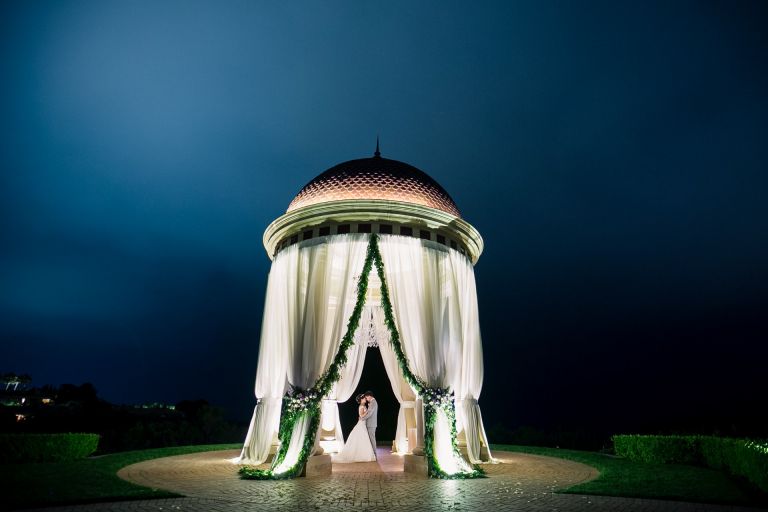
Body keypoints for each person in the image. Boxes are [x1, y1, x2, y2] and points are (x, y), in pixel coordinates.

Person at [334, 393, 376, 463]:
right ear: (361, 400)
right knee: (362, 438)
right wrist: (368, 411)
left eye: (365, 398)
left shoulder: (363, 405)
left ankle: (363, 453)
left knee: (362, 439)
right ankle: (362, 454)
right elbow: (361, 416)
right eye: (363, 398)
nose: (365, 399)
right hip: (361, 424)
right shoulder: (361, 406)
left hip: (363, 424)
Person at [360, 391, 378, 457]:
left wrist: (362, 419)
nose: (366, 399)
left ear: (369, 396)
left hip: (371, 424)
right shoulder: (372, 402)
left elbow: (370, 413)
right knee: (370, 438)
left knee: (372, 439)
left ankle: (374, 454)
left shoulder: (373, 402)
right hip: (371, 423)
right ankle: (372, 453)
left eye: (366, 398)